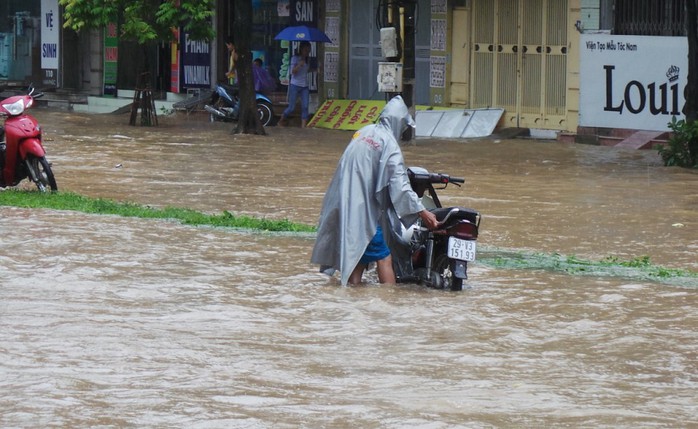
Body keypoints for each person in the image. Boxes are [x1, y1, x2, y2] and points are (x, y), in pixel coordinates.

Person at [310, 95, 439, 286]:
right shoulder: (390, 145)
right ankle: (388, 301)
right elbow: (400, 186)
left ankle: (354, 295)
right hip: (362, 211)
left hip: (340, 201)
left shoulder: (362, 132)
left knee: (359, 255)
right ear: (397, 123)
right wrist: (423, 212)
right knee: (384, 258)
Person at [278, 41, 313, 128]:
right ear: (301, 49)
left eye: (308, 50)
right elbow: (292, 72)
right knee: (292, 107)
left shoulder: (308, 59)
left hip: (304, 86)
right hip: (295, 85)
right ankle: (282, 118)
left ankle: (303, 126)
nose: (307, 52)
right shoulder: (295, 58)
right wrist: (299, 65)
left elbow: (306, 70)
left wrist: (315, 69)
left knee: (305, 106)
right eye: (305, 50)